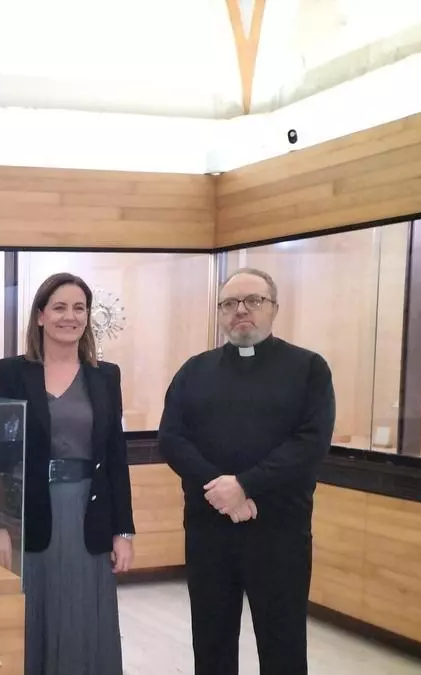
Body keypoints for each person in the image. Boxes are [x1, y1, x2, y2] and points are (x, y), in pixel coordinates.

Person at [158, 267, 335, 675]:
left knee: (282, 644)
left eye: (253, 301)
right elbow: (171, 438)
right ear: (220, 313)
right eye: (229, 304)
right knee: (211, 642)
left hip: (279, 532)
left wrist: (245, 485)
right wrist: (220, 490)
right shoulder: (194, 371)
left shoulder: (308, 369)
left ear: (274, 308)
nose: (241, 310)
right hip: (209, 530)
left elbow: (310, 443)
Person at [0, 272, 135, 675]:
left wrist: (123, 531)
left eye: (79, 308)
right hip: (31, 512)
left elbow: (115, 456)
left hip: (89, 510)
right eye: (60, 307)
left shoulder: (106, 376)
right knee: (35, 610)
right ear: (40, 316)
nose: (70, 317)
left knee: (84, 611)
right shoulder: (11, 372)